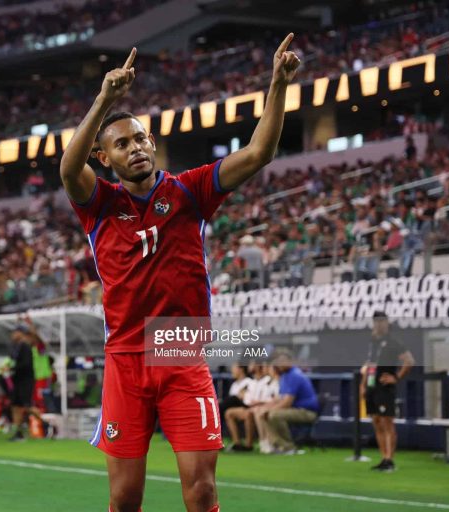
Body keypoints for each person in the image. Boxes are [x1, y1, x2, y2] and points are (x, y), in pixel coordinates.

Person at [59, 34, 300, 512]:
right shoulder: (100, 204)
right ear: (104, 159)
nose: (136, 149)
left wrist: (278, 85)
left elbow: (257, 154)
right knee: (125, 497)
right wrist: (105, 98)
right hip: (126, 359)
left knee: (203, 490)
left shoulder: (190, 191)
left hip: (180, 351)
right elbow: (68, 169)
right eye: (121, 144)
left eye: (141, 139)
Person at [361, 311, 414, 472]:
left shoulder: (393, 342)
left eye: (382, 321)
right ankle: (383, 457)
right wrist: (363, 385)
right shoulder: (373, 342)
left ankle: (390, 459)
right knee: (376, 421)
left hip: (385, 387)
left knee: (387, 422)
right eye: (376, 321)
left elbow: (409, 361)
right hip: (372, 385)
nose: (379, 324)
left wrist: (396, 377)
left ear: (387, 323)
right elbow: (370, 364)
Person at [254, 350, 318, 455]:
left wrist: (268, 410)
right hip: (295, 409)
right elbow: (280, 399)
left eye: (283, 361)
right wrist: (264, 408)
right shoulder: (285, 376)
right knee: (265, 413)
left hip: (307, 412)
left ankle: (288, 447)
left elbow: (287, 402)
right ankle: (277, 445)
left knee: (273, 415)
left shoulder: (295, 375)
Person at [8, 324, 41, 442]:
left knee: (26, 406)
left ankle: (47, 424)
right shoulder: (17, 346)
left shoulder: (26, 346)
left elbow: (26, 364)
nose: (12, 335)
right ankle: (18, 431)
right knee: (15, 406)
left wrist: (12, 368)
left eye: (15, 332)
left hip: (26, 380)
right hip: (18, 380)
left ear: (20, 333)